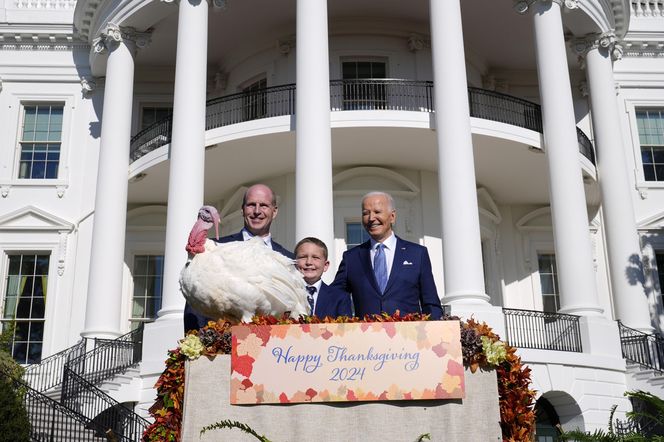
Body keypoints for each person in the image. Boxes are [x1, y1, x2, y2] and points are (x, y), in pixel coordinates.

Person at [183, 184, 295, 332]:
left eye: (263, 205)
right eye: (251, 205)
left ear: (274, 212)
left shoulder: (288, 259)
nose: (257, 211)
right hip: (221, 349)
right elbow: (196, 299)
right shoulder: (214, 248)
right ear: (242, 210)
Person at [331, 191, 443, 319]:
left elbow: (431, 304)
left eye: (377, 212)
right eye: (365, 213)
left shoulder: (417, 254)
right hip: (365, 336)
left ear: (392, 216)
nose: (371, 218)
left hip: (410, 336)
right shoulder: (351, 258)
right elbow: (334, 298)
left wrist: (432, 335)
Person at [294, 237, 353, 318]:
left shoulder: (339, 297)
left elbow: (345, 329)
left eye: (315, 257)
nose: (309, 262)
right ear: (295, 263)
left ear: (325, 265)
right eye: (303, 257)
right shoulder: (286, 294)